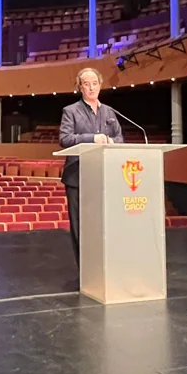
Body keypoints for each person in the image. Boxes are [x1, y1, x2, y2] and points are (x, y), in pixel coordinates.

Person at [58, 67, 124, 263]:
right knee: (81, 226)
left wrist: (114, 142)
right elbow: (65, 138)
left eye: (95, 83)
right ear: (80, 87)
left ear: (100, 85)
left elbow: (119, 136)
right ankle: (84, 269)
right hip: (77, 176)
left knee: (101, 224)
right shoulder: (70, 111)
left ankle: (103, 265)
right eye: (87, 84)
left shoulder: (109, 112)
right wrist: (92, 138)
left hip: (103, 176)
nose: (91, 87)